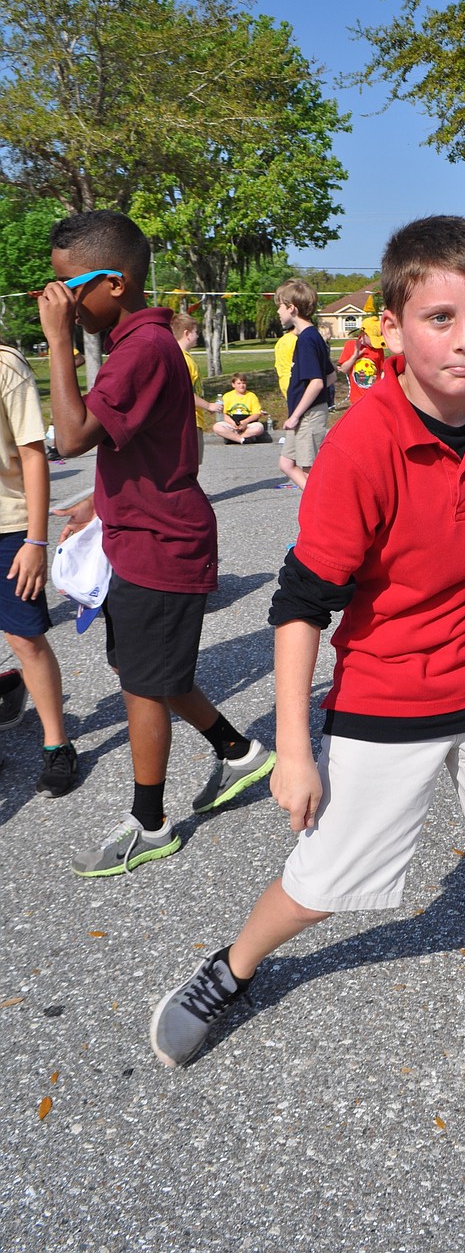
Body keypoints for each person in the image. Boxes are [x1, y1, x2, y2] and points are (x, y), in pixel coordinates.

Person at [150, 215, 465, 1069]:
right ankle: (231, 969)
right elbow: (300, 604)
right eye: (440, 318)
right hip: (387, 692)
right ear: (391, 327)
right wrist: (292, 749)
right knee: (322, 881)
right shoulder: (363, 442)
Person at [37, 210, 275, 878]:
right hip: (142, 534)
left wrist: (57, 342)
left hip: (163, 545)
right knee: (151, 671)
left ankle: (150, 822)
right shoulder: (140, 343)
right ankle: (238, 753)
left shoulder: (141, 349)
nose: (59, 302)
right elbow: (160, 444)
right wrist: (100, 499)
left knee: (147, 683)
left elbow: (75, 433)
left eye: (68, 288)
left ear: (113, 283)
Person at [0, 343, 77, 795]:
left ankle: (57, 743)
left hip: (8, 527)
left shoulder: (6, 365)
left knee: (24, 637)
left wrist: (35, 540)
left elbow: (33, 454)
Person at [276, 278, 332, 491]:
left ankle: (321, 514)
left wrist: (296, 415)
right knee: (286, 463)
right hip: (305, 414)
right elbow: (331, 376)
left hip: (307, 416)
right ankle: (315, 506)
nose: (278, 312)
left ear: (292, 308)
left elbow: (317, 383)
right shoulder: (312, 336)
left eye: (280, 306)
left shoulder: (307, 340)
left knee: (309, 470)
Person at [170, 312, 223, 465]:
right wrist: (209, 406)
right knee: (189, 462)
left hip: (193, 419)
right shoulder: (182, 359)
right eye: (196, 332)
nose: (198, 335)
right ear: (187, 334)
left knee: (192, 462)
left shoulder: (183, 357)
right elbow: (185, 392)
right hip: (189, 420)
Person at [336, 315, 385, 404]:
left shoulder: (378, 349)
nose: (375, 342)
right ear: (363, 334)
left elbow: (382, 372)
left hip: (375, 398)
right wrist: (355, 355)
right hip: (357, 399)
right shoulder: (350, 345)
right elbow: (343, 370)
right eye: (373, 338)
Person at [212, 373, 267, 445]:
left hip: (247, 424)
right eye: (239, 383)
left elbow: (256, 414)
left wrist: (245, 422)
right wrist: (232, 423)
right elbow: (223, 414)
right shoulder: (227, 396)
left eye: (244, 383)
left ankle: (233, 438)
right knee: (217, 427)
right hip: (231, 423)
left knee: (259, 428)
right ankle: (241, 439)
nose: (242, 385)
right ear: (233, 384)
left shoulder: (252, 396)